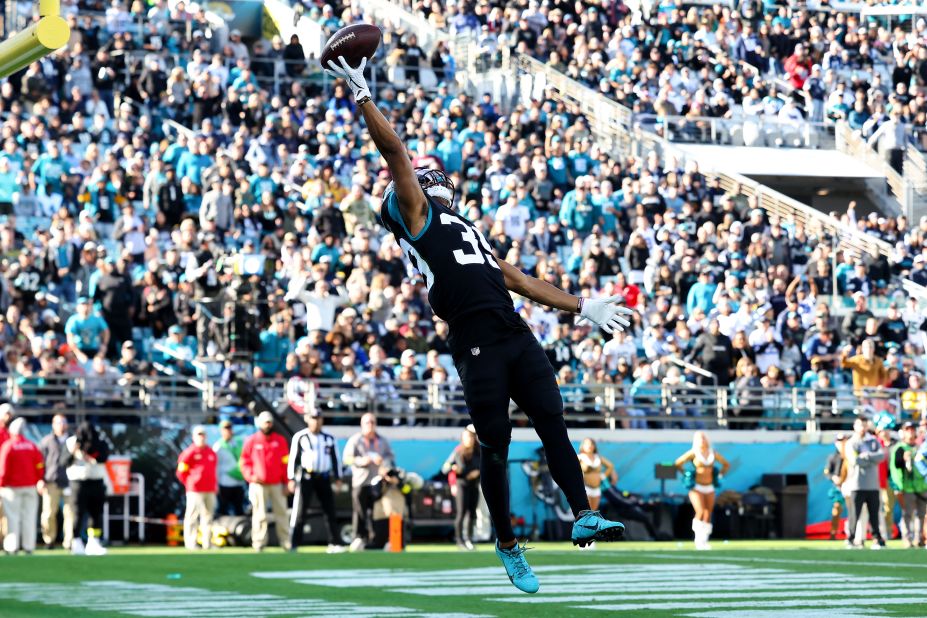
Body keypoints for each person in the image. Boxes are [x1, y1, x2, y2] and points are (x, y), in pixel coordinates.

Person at [327, 55, 631, 594]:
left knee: (552, 419)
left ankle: (582, 512)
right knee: (495, 443)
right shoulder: (416, 215)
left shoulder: (465, 227)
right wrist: (362, 96)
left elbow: (521, 280)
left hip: (513, 331)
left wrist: (582, 306)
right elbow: (394, 152)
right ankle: (508, 546)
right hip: (474, 341)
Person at [287, 409, 344, 553]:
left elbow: (335, 459)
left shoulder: (329, 438)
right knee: (300, 511)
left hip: (324, 477)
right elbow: (293, 459)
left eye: (318, 418)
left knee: (329, 510)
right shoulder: (300, 437)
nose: (316, 421)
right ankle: (294, 543)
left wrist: (338, 478)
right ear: (307, 419)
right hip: (307, 477)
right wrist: (291, 478)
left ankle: (335, 542)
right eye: (313, 418)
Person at [342, 413, 394, 552]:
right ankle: (359, 538)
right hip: (361, 481)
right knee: (359, 511)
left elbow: (390, 457)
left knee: (377, 512)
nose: (370, 425)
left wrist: (384, 464)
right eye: (367, 422)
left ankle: (376, 540)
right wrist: (361, 461)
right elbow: (346, 459)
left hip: (378, 482)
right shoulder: (355, 440)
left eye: (372, 422)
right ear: (362, 424)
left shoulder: (382, 441)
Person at [239, 411, 290, 551]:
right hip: (258, 484)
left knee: (282, 513)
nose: (268, 425)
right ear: (259, 423)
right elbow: (244, 462)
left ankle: (286, 542)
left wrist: (287, 482)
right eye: (265, 422)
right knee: (259, 514)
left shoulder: (280, 440)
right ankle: (259, 543)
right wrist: (251, 476)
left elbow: (285, 463)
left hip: (276, 484)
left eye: (269, 422)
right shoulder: (252, 441)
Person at [675, 431, 730, 550]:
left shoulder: (712, 453)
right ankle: (698, 539)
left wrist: (719, 475)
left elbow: (726, 464)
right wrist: (686, 474)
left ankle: (705, 539)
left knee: (708, 513)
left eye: (704, 438)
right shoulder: (693, 453)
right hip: (697, 487)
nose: (703, 441)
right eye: (700, 439)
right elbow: (678, 463)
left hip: (709, 486)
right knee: (700, 511)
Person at [0, 418, 44, 554]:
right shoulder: (32, 446)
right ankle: (29, 546)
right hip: (30, 487)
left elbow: (3, 469)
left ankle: (12, 547)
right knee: (29, 517)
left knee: (12, 518)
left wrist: (1, 483)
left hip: (11, 489)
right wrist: (38, 479)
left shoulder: (8, 446)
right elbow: (40, 465)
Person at [66, 421, 109, 556]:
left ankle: (93, 541)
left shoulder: (100, 442)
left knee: (95, 514)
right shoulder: (71, 442)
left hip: (96, 481)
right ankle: (76, 540)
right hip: (78, 483)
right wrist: (74, 451)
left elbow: (103, 458)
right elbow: (63, 461)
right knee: (77, 513)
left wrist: (90, 453)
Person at [845, 416, 886, 549]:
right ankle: (851, 538)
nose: (863, 428)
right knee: (854, 514)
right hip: (856, 484)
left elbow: (881, 456)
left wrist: (867, 456)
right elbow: (855, 460)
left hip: (873, 485)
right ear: (855, 427)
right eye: (860, 425)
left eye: (864, 425)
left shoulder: (873, 441)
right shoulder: (851, 442)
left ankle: (877, 538)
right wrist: (870, 458)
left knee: (874, 514)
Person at [176, 425, 218, 551]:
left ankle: (207, 543)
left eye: (203, 434)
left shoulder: (211, 452)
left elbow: (213, 470)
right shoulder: (189, 452)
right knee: (192, 516)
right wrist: (190, 483)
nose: (201, 437)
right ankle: (191, 543)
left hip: (209, 489)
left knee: (208, 517)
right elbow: (181, 472)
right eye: (199, 434)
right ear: (194, 437)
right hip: (195, 490)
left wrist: (215, 484)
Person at [39, 414, 75, 549]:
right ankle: (49, 539)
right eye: (59, 422)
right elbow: (40, 462)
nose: (62, 425)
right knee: (48, 513)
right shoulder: (46, 441)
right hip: (51, 481)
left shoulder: (73, 440)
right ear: (53, 425)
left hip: (70, 480)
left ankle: (69, 541)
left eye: (64, 422)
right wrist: (40, 479)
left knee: (70, 512)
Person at [441, 426, 481, 551]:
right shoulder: (458, 451)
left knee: (472, 513)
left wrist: (478, 472)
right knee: (461, 513)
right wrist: (453, 468)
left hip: (473, 484)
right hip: (461, 484)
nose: (470, 440)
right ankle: (459, 540)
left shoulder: (479, 451)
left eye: (471, 437)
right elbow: (445, 467)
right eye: (467, 437)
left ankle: (469, 538)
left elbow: (484, 466)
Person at [893, 422, 927, 548]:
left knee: (921, 515)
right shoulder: (900, 448)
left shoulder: (921, 447)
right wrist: (904, 459)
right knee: (908, 513)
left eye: (912, 429)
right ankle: (907, 538)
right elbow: (896, 465)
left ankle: (920, 538)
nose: (911, 432)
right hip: (908, 486)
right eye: (908, 430)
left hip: (922, 485)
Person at [213, 420, 245, 516]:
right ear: (221, 431)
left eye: (229, 428)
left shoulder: (239, 442)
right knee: (223, 509)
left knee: (239, 509)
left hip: (239, 482)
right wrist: (216, 484)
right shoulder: (218, 446)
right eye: (225, 428)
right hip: (225, 484)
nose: (228, 431)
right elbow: (216, 467)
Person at [578, 438, 617, 513]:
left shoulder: (598, 457)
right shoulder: (580, 457)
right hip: (586, 488)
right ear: (583, 446)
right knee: (586, 512)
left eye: (591, 444)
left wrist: (603, 476)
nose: (589, 446)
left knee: (594, 512)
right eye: (587, 444)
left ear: (594, 446)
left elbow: (610, 466)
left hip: (597, 489)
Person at [823, 434, 848, 540]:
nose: (841, 443)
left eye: (843, 440)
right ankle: (833, 533)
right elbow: (827, 472)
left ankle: (853, 533)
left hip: (850, 485)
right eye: (839, 441)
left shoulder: (850, 455)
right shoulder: (832, 457)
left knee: (854, 510)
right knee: (836, 509)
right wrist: (834, 478)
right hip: (838, 488)